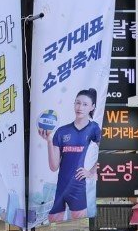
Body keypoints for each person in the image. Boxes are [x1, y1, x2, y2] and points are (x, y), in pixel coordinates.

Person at [37, 88, 101, 222]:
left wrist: (90, 172)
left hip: (78, 187)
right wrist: (49, 141)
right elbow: (54, 167)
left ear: (92, 107)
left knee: (79, 226)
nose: (80, 107)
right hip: (61, 186)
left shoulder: (94, 128)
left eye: (84, 104)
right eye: (77, 103)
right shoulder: (61, 131)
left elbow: (104, 151)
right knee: (52, 222)